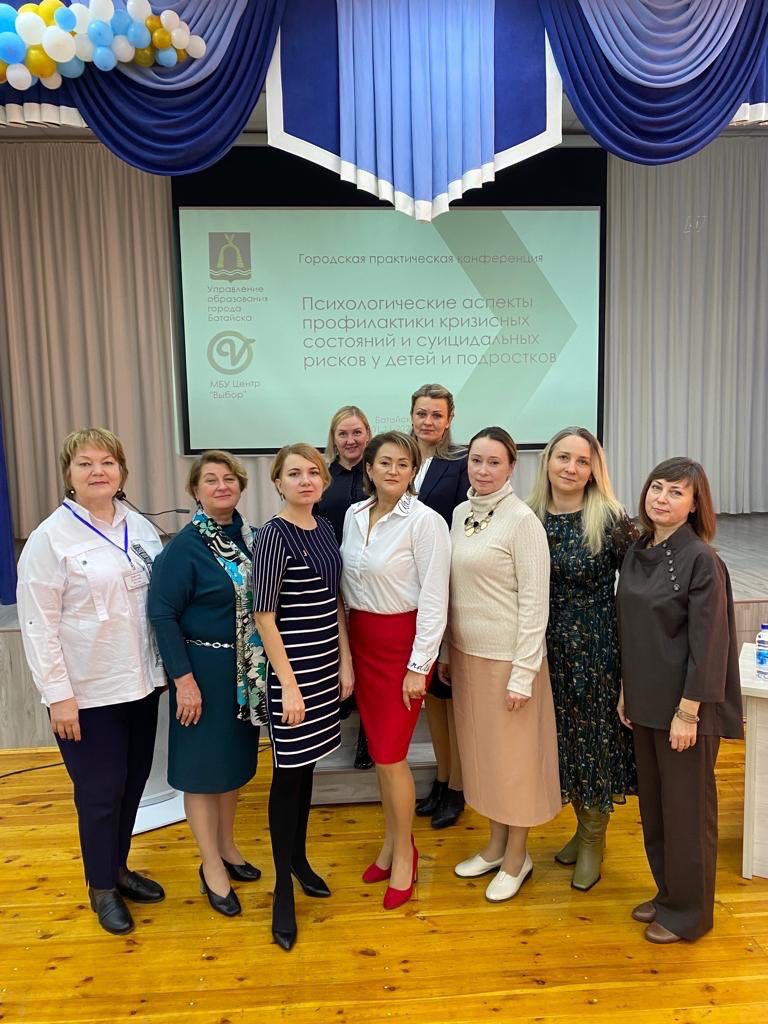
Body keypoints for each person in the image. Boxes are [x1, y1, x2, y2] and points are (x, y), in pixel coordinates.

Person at [17, 428, 166, 936]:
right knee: (100, 793)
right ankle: (100, 887)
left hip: (141, 683)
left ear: (121, 470)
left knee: (132, 784)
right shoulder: (50, 539)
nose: (98, 471)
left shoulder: (139, 526)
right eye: (85, 463)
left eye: (107, 462)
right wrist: (59, 697)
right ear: (69, 474)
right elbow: (38, 625)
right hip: (86, 693)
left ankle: (118, 868)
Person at [616, 458, 743, 944]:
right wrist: (627, 691)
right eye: (657, 487)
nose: (662, 498)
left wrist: (688, 712)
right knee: (656, 809)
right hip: (645, 702)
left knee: (688, 814)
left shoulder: (701, 559)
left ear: (694, 505)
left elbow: (710, 644)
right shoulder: (638, 549)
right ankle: (669, 893)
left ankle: (690, 914)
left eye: (676, 492)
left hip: (686, 709)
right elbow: (633, 630)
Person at [440, 427, 561, 903]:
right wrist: (447, 652)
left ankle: (517, 858)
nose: (483, 470)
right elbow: (454, 591)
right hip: (467, 658)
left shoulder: (523, 521)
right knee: (483, 760)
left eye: (494, 462)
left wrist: (523, 674)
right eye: (476, 460)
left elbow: (535, 604)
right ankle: (494, 846)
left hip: (509, 663)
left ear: (512, 467)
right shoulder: (460, 513)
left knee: (514, 765)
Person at [148, 451, 262, 920]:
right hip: (201, 673)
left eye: (229, 478)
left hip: (244, 675)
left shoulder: (251, 538)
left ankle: (228, 847)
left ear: (240, 486)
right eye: (210, 480)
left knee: (231, 767)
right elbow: (162, 614)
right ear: (195, 491)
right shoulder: (185, 547)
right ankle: (210, 864)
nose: (221, 486)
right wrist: (184, 681)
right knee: (201, 772)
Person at [341, 431, 450, 909]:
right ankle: (390, 845)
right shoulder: (353, 515)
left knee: (390, 756)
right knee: (384, 759)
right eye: (384, 462)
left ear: (413, 471)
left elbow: (435, 598)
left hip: (402, 648)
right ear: (368, 468)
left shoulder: (426, 522)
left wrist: (418, 666)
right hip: (363, 642)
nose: (393, 470)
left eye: (403, 464)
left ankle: (405, 854)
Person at [527, 427, 637, 891]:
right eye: (563, 457)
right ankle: (580, 826)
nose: (571, 468)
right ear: (547, 461)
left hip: (596, 649)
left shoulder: (610, 518)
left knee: (594, 741)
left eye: (582, 461)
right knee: (564, 742)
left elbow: (639, 588)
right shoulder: (529, 516)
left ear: (594, 470)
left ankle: (594, 838)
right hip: (545, 647)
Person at [253, 444, 353, 951]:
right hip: (292, 676)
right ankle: (282, 889)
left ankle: (299, 858)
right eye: (294, 473)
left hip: (325, 668)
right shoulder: (273, 536)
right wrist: (288, 685)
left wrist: (346, 661)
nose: (306, 480)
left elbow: (335, 602)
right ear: (278, 482)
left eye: (313, 472)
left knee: (307, 769)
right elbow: (264, 616)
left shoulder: (326, 528)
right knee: (287, 775)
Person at [409, 383, 469, 829]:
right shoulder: (402, 460)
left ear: (449, 420)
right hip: (410, 591)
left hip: (448, 587)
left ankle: (458, 787)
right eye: (421, 413)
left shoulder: (460, 463)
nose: (428, 421)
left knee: (451, 698)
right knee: (432, 697)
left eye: (436, 414)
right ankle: (442, 777)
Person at [316, 405, 374, 770]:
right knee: (336, 645)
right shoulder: (322, 477)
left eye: (357, 432)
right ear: (333, 438)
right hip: (332, 578)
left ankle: (367, 736)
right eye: (343, 434)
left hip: (373, 581)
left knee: (367, 654)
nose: (350, 440)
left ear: (368, 434)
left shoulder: (379, 472)